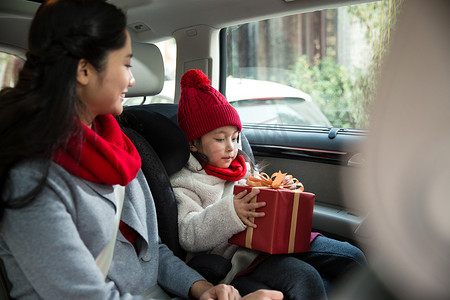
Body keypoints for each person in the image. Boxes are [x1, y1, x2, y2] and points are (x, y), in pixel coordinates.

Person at [0, 1, 284, 299]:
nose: (132, 80)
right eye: (125, 65)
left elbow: (150, 251)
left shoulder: (119, 150)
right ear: (84, 70)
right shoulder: (32, 180)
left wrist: (202, 289)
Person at [170, 69, 368, 300]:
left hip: (276, 242)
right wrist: (231, 211)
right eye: (219, 139)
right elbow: (189, 235)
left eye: (235, 138)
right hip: (240, 256)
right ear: (194, 144)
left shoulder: (242, 166)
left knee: (352, 257)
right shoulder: (186, 182)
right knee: (306, 278)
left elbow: (264, 198)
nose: (231, 147)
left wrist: (281, 191)